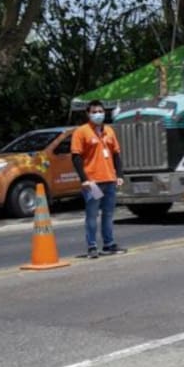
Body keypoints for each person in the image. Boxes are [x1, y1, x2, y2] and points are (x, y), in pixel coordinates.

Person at [71, 100, 125, 258]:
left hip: (109, 179)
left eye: (100, 111)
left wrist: (119, 175)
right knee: (92, 214)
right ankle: (92, 246)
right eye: (94, 112)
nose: (98, 114)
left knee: (108, 214)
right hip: (93, 182)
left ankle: (109, 244)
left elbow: (116, 154)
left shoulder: (109, 131)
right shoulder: (81, 132)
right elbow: (76, 157)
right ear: (88, 114)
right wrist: (84, 179)